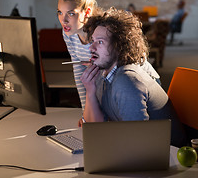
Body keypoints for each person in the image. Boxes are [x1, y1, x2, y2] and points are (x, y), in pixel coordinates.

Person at [57, 0, 160, 119]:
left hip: (135, 82)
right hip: (112, 83)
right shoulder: (68, 34)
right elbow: (79, 69)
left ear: (87, 12)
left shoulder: (101, 33)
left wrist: (92, 114)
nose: (63, 20)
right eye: (60, 12)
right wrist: (85, 112)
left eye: (71, 13)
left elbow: (120, 72)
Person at [80, 8, 187, 147]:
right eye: (93, 40)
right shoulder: (104, 75)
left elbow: (139, 143)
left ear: (119, 46)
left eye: (100, 42)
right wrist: (90, 91)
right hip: (140, 150)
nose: (91, 48)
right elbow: (95, 127)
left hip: (167, 157)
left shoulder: (127, 81)